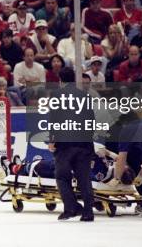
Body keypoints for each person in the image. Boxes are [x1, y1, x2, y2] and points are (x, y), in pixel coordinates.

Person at [49, 67, 95, 221]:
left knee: (62, 177)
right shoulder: (85, 96)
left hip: (65, 145)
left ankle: (71, 208)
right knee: (84, 179)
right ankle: (88, 213)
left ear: (60, 80)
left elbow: (54, 120)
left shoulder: (56, 96)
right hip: (84, 144)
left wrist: (52, 140)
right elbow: (91, 121)